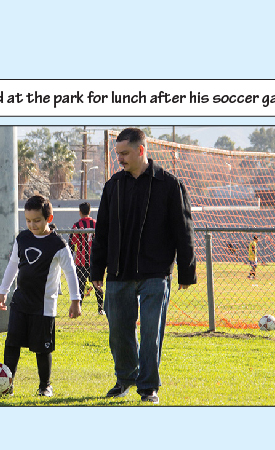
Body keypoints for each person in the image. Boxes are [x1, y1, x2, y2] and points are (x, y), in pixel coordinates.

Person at [90, 128, 196, 404]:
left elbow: (183, 230)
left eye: (124, 153)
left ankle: (148, 386)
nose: (120, 159)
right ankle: (125, 379)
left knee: (151, 334)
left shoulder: (170, 185)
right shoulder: (113, 186)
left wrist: (186, 270)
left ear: (141, 150)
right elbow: (102, 232)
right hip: (118, 273)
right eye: (117, 154)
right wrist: (96, 270)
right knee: (119, 334)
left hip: (155, 273)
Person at [0, 195, 81, 397]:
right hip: (20, 302)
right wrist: (3, 291)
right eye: (28, 220)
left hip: (44, 306)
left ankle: (45, 386)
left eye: (37, 220)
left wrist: (75, 300)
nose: (32, 225)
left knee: (42, 349)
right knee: (12, 343)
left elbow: (70, 272)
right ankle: (7, 385)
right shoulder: (22, 238)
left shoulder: (58, 244)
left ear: (48, 219)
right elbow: (12, 265)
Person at [69, 202, 104, 315]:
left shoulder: (76, 226)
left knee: (80, 286)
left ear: (80, 212)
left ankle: (79, 308)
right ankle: (100, 308)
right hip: (95, 261)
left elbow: (71, 243)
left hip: (81, 262)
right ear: (89, 211)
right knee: (97, 284)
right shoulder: (96, 224)